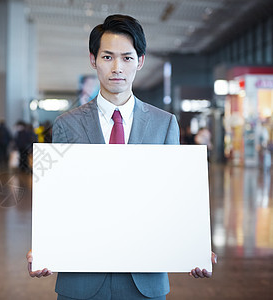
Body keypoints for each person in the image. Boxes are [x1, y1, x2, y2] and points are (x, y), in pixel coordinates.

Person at [27, 14, 217, 300]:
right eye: (107, 57)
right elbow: (60, 198)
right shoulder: (67, 124)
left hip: (145, 279)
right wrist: (45, 245)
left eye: (127, 58)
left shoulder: (164, 123)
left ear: (140, 61)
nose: (117, 68)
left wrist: (193, 246)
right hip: (81, 279)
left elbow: (175, 198)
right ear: (93, 60)